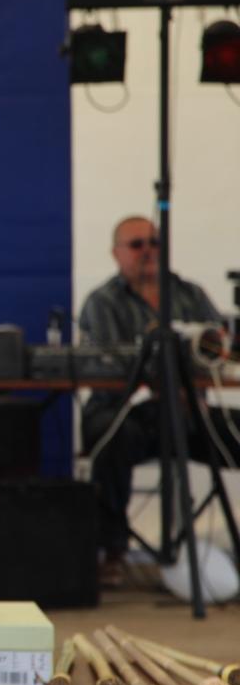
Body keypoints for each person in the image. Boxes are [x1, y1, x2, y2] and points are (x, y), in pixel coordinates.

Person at [78, 214, 240, 587]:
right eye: (137, 245)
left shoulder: (189, 294)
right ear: (116, 253)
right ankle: (112, 550)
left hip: (189, 412)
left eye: (154, 243)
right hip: (125, 411)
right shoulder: (103, 302)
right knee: (111, 440)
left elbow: (219, 349)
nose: (148, 251)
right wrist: (158, 379)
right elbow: (107, 363)